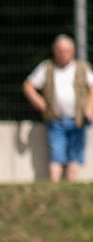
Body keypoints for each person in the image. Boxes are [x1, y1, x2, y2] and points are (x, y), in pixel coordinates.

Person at [23, 35, 93, 183]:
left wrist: (89, 110)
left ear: (73, 51)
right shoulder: (47, 67)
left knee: (75, 155)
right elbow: (28, 86)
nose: (63, 54)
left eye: (66, 51)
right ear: (54, 51)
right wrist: (38, 101)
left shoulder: (82, 67)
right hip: (56, 120)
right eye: (60, 50)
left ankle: (70, 185)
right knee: (56, 154)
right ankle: (55, 187)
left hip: (78, 119)